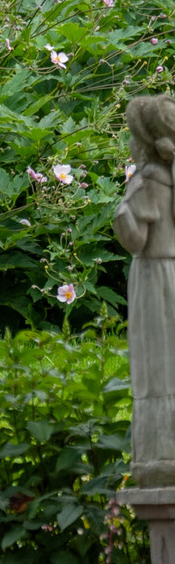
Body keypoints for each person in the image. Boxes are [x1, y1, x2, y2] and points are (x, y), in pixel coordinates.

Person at [113, 94, 175, 486]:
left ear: (144, 144)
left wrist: (120, 216)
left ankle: (159, 455)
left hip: (154, 277)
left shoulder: (147, 182)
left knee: (156, 367)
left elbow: (136, 238)